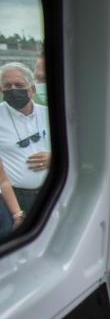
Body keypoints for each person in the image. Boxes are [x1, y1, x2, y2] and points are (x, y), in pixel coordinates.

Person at [0, 62, 50, 233]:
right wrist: (17, 214)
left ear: (32, 89)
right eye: (7, 86)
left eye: (19, 85)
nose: (13, 90)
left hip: (51, 190)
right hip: (14, 200)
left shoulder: (48, 114)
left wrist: (53, 157)